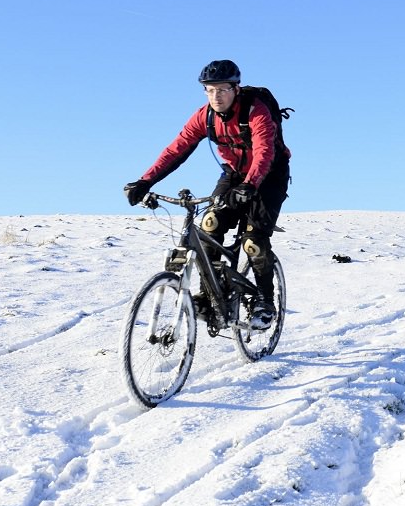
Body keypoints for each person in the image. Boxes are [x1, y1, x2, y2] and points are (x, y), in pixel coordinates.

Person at [123, 60, 291, 328]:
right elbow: (177, 149)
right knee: (210, 225)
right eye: (209, 90)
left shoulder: (255, 111)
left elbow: (264, 152)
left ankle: (264, 300)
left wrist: (250, 185)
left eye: (222, 89)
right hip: (234, 175)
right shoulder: (205, 116)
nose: (216, 96)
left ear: (235, 89)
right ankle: (209, 295)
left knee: (253, 242)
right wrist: (145, 181)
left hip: (269, 176)